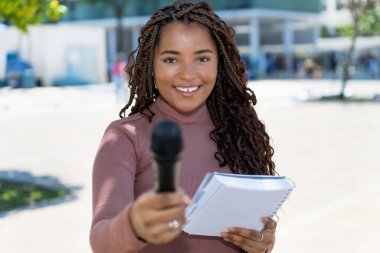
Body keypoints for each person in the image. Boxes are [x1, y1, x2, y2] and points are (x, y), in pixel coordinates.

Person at [90, 1, 277, 253]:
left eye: (202, 58)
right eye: (171, 59)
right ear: (151, 65)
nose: (188, 74)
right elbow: (101, 241)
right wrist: (135, 224)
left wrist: (262, 243)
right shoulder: (125, 137)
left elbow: (254, 230)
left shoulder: (240, 130)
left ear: (218, 63)